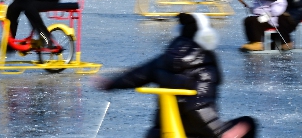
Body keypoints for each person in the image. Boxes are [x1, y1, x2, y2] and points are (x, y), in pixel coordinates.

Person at [101, 12, 255, 138]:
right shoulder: (204, 65)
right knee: (249, 123)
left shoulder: (164, 59)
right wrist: (220, 132)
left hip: (160, 132)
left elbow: (137, 75)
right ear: (206, 36)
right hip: (196, 133)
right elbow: (198, 106)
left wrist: (111, 83)